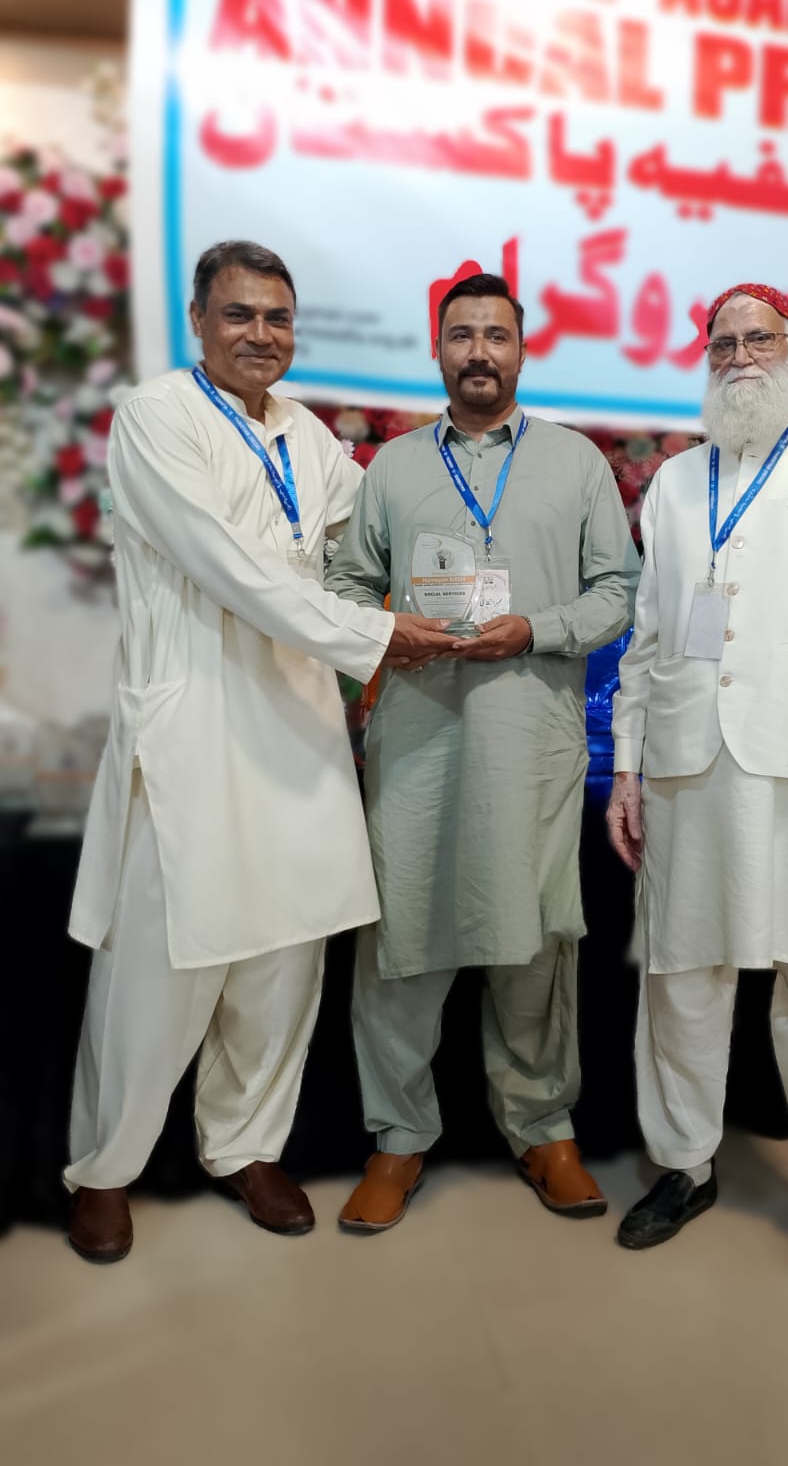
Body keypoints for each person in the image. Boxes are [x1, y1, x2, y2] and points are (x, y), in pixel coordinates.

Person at [64, 240, 441, 1264]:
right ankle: (105, 1168)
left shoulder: (307, 433)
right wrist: (376, 635)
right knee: (161, 968)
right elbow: (232, 566)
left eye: (277, 317)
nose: (261, 335)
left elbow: (367, 535)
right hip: (194, 722)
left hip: (299, 722)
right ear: (199, 321)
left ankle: (246, 1147)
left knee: (285, 958)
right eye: (239, 315)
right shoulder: (156, 417)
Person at [327, 272, 640, 1234]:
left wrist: (536, 628)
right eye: (460, 335)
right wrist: (389, 626)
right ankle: (397, 1138)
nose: (478, 352)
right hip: (418, 739)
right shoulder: (393, 467)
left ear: (522, 350)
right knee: (402, 940)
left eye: (495, 335)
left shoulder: (575, 463)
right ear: (438, 351)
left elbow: (619, 590)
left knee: (535, 940)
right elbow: (345, 587)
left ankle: (543, 1128)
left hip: (529, 742)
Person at [606, 282, 788, 1282]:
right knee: (681, 978)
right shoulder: (674, 482)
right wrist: (628, 766)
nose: (740, 357)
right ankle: (685, 1165)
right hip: (688, 764)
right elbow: (650, 635)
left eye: (758, 339)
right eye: (723, 343)